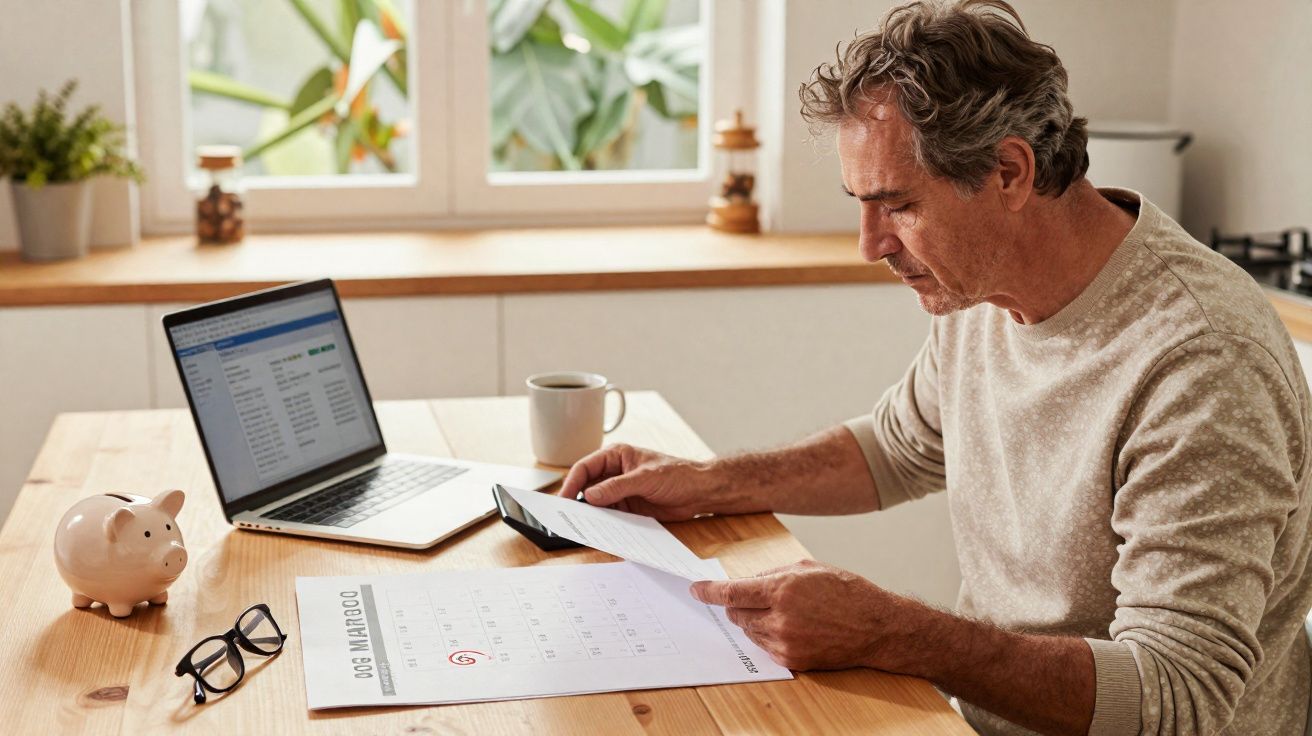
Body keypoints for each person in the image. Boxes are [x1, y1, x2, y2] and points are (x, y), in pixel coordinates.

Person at [555, 1, 1312, 734]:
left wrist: (896, 632)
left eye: (898, 205)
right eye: (859, 202)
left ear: (1009, 173)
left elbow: (1176, 700)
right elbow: (897, 447)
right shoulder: (982, 286)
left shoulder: (1202, 364)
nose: (870, 244)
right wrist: (707, 483)